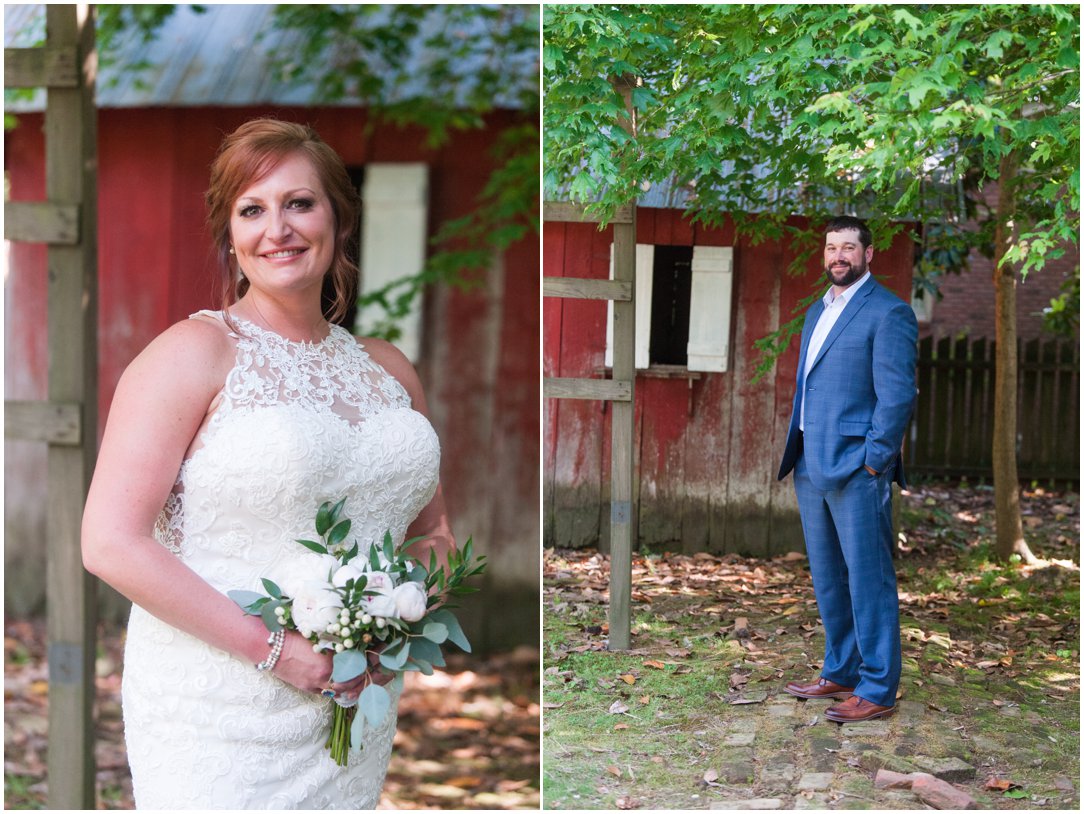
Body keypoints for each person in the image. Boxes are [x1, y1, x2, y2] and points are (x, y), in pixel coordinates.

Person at [82, 118, 454, 808]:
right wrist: (278, 650)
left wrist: (389, 626)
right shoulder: (189, 356)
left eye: (299, 203)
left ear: (339, 219)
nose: (276, 228)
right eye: (252, 210)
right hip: (219, 707)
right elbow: (110, 543)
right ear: (230, 233)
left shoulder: (389, 369)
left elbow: (435, 537)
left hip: (355, 697)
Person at [776, 215, 917, 723]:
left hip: (858, 467)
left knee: (868, 578)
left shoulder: (889, 312)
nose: (839, 256)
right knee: (829, 577)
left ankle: (878, 688)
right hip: (811, 464)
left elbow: (898, 394)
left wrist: (875, 462)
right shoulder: (818, 310)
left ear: (868, 253)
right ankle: (842, 669)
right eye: (831, 247)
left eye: (849, 248)